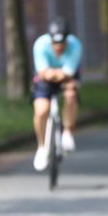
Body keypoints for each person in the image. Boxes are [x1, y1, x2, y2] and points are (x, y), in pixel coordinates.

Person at [31, 18, 83, 171]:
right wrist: (55, 73)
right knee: (41, 110)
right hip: (45, 79)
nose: (58, 47)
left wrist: (53, 73)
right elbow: (42, 72)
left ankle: (67, 132)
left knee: (71, 95)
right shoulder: (40, 45)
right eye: (55, 44)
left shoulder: (75, 45)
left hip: (66, 77)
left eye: (62, 44)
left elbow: (69, 72)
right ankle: (41, 147)